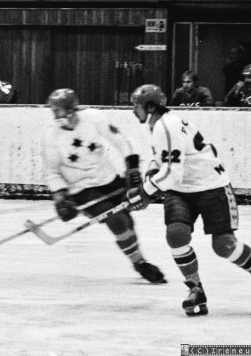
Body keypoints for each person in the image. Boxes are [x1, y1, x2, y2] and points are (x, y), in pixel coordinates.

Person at [125, 84, 251, 317]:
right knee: (176, 234)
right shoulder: (158, 125)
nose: (133, 111)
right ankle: (195, 289)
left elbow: (172, 173)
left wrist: (144, 192)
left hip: (211, 186)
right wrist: (150, 175)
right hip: (180, 190)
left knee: (224, 245)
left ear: (149, 107)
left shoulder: (166, 126)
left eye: (136, 106)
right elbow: (162, 160)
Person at [42, 88, 166, 284]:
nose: (55, 115)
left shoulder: (93, 117)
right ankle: (140, 264)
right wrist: (60, 197)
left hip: (109, 180)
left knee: (127, 221)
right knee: (117, 220)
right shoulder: (51, 135)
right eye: (53, 110)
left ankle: (138, 259)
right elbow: (52, 172)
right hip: (81, 191)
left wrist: (132, 167)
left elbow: (121, 140)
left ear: (71, 109)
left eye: (58, 110)